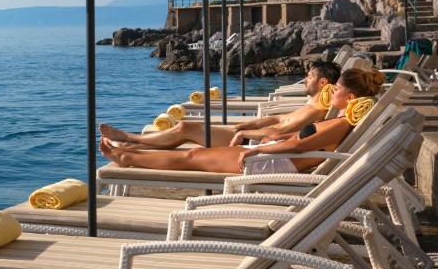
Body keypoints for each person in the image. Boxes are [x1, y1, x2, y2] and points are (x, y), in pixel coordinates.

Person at [99, 68, 385, 174]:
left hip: (271, 164)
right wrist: (265, 138)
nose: (331, 92)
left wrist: (258, 147)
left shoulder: (340, 124)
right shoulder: (341, 120)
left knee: (192, 156)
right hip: (271, 156)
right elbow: (295, 141)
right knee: (193, 153)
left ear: (350, 98)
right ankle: (131, 152)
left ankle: (128, 158)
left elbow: (298, 147)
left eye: (336, 89)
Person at [99, 60, 342, 150]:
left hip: (255, 143)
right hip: (251, 135)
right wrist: (250, 122)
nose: (305, 78)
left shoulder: (317, 109)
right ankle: (132, 142)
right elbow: (278, 120)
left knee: (185, 129)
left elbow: (281, 132)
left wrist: (246, 131)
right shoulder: (312, 103)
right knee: (185, 129)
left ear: (322, 82)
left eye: (310, 76)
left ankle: (131, 139)